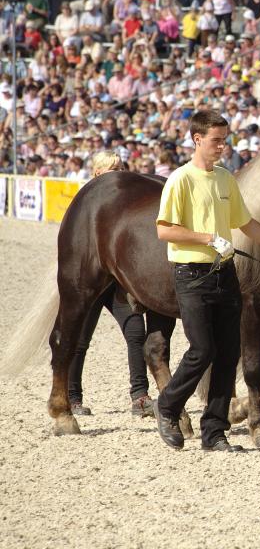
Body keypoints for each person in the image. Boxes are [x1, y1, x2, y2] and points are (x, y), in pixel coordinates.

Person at [154, 109, 260, 452]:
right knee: (202, 350)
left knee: (228, 355)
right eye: (216, 140)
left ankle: (214, 431)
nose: (222, 146)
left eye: (224, 140)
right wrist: (208, 238)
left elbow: (246, 224)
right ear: (197, 139)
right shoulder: (181, 179)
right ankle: (166, 405)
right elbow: (165, 230)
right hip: (192, 274)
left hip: (225, 273)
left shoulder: (225, 179)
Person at [68, 151, 159, 418]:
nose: (119, 172)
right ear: (97, 173)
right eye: (112, 168)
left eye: (120, 167)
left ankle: (140, 396)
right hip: (91, 281)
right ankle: (73, 397)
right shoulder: (85, 202)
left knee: (135, 333)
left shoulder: (127, 201)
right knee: (80, 339)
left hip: (118, 281)